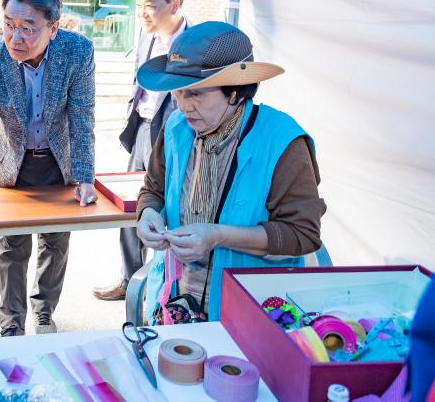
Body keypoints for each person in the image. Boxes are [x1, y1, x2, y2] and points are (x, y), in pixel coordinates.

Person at [135, 21, 325, 322]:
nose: (184, 106)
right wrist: (148, 214)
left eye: (196, 94)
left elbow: (302, 234)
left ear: (235, 92)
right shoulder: (175, 128)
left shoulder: (282, 141)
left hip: (247, 313)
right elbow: (153, 189)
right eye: (178, 93)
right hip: (173, 300)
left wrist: (219, 235)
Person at [0, 0, 97, 337]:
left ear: (54, 28)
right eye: (9, 25)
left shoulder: (77, 52)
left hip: (59, 160)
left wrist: (85, 176)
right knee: (11, 244)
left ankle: (44, 312)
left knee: (56, 242)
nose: (15, 38)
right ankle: (11, 323)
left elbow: (82, 115)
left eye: (28, 28)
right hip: (14, 162)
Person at [94, 0, 189, 302]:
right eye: (139, 7)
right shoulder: (144, 34)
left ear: (174, 5)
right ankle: (128, 280)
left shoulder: (193, 43)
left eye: (150, 6)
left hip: (175, 134)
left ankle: (162, 284)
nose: (143, 14)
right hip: (142, 129)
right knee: (133, 206)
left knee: (170, 207)